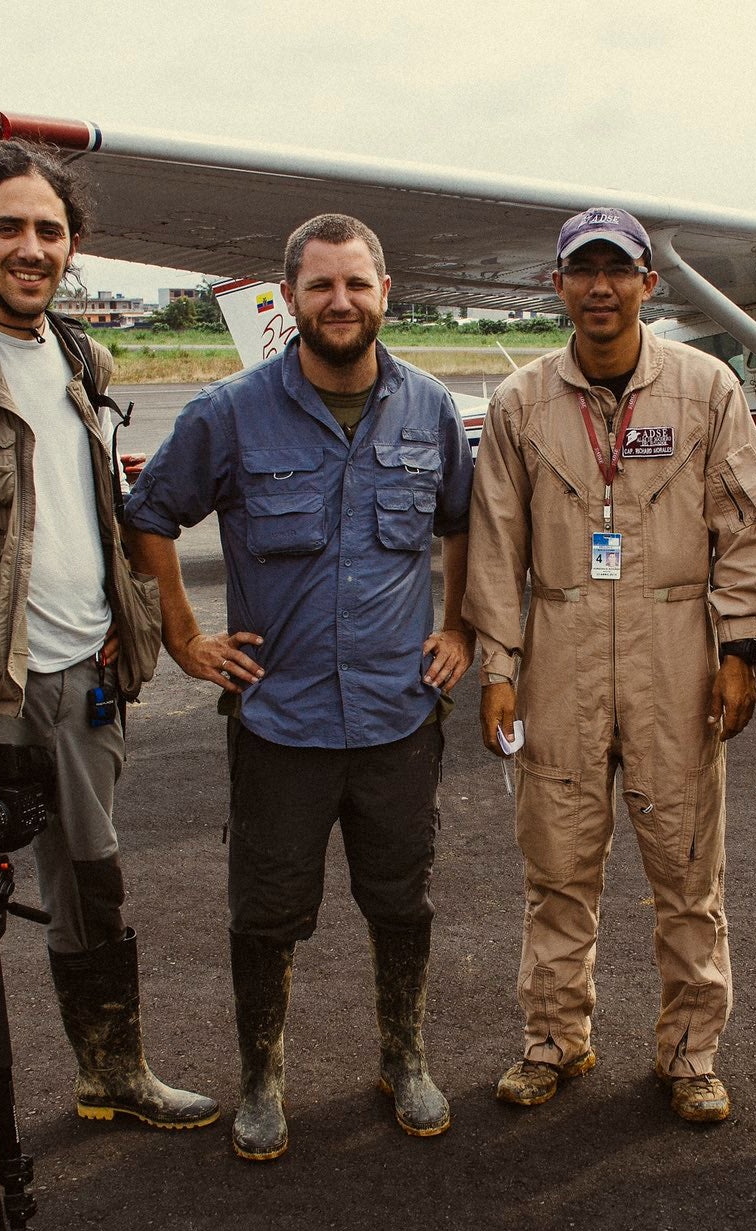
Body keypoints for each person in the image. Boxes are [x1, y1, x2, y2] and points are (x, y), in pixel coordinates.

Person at [0, 141, 216, 1231]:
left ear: (71, 246)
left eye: (51, 230)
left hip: (84, 679)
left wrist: (130, 630)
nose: (33, 248)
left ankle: (110, 1070)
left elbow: (92, 515)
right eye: (10, 227)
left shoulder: (79, 353)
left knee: (95, 879)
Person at [123, 214, 473, 1162]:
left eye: (357, 283)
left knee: (401, 902)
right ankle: (260, 1080)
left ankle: (404, 1059)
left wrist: (460, 624)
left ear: (386, 292)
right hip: (282, 721)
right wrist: (184, 635)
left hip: (400, 717)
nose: (340, 302)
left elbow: (464, 522)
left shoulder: (430, 408)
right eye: (320, 286)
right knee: (268, 914)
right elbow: (148, 517)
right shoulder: (230, 413)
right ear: (289, 300)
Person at [465, 207, 756, 1124]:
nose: (600, 286)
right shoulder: (522, 403)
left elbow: (747, 526)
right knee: (557, 870)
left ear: (650, 283)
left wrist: (739, 648)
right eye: (582, 270)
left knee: (687, 876)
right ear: (557, 284)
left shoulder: (705, 387)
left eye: (619, 269)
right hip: (559, 652)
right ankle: (552, 1042)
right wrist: (497, 668)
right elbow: (496, 543)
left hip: (675, 652)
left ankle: (690, 1055)